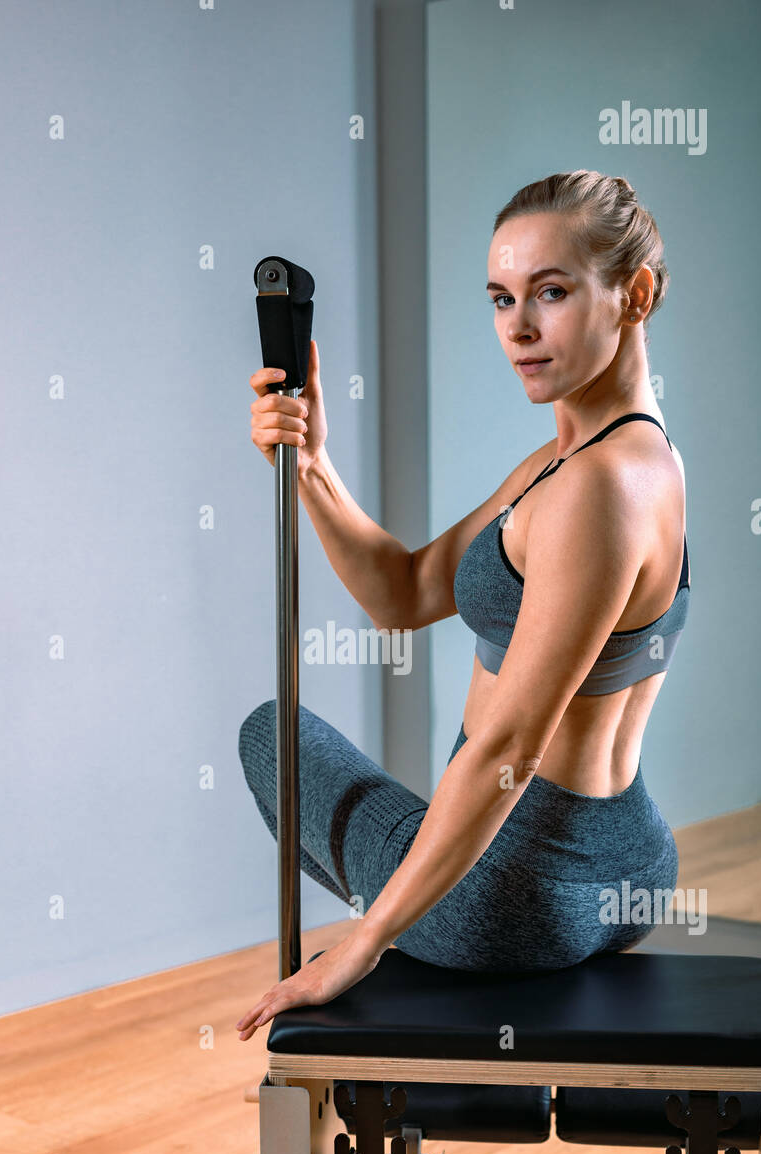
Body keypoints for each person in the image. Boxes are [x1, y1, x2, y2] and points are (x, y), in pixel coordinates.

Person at [235, 170, 690, 1042]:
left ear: (633, 295)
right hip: (630, 863)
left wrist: (366, 942)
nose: (517, 328)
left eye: (551, 293)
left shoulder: (595, 488)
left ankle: (412, 903)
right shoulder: (608, 459)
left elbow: (508, 750)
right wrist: (314, 464)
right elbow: (401, 594)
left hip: (515, 896)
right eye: (500, 298)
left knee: (269, 735)